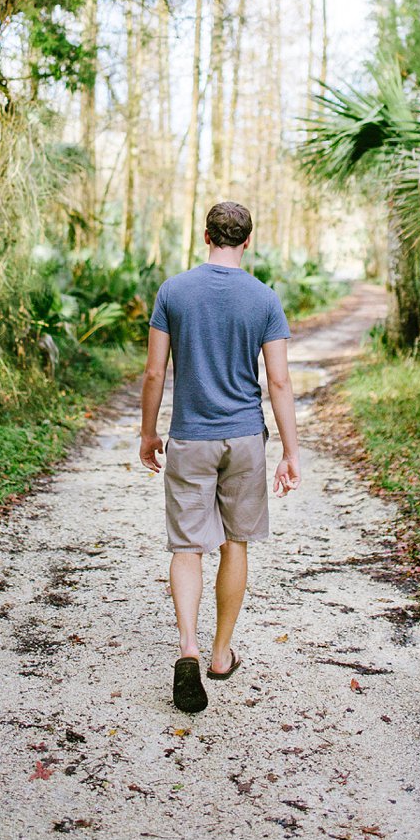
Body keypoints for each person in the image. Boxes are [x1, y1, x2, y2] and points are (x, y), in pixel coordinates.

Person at [139, 201, 301, 713]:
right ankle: (219, 653)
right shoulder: (264, 299)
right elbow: (278, 380)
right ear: (247, 242)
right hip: (246, 439)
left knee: (187, 548)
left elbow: (153, 373)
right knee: (236, 543)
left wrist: (148, 434)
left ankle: (187, 644)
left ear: (205, 234)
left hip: (190, 437)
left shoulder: (173, 291)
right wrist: (290, 451)